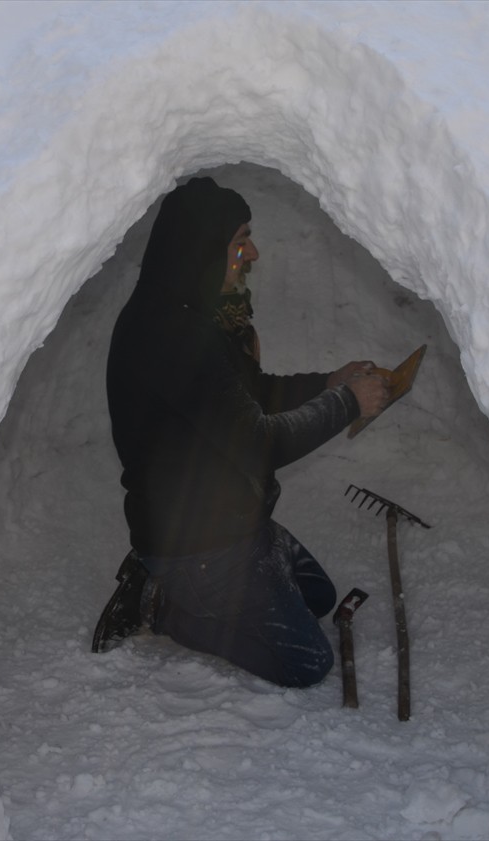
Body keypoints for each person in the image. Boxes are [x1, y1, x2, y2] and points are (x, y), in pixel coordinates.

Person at [93, 176, 388, 688]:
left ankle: (209, 584)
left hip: (232, 517)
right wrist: (347, 403)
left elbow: (249, 394)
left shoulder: (190, 315)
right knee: (306, 661)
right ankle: (161, 604)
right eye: (239, 239)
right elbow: (261, 443)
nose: (250, 252)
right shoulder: (169, 336)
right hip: (200, 542)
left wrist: (328, 382)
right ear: (203, 248)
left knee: (318, 597)